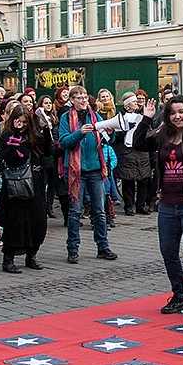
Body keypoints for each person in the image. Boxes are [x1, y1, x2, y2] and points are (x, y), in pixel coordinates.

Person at [133, 94, 183, 320]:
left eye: (181, 111)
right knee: (168, 252)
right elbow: (139, 143)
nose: (178, 116)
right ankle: (179, 296)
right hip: (169, 204)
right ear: (167, 116)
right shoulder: (162, 135)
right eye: (173, 112)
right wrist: (146, 118)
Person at [58, 86, 126, 263]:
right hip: (76, 171)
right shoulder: (66, 117)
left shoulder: (95, 116)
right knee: (75, 212)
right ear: (72, 100)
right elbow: (64, 142)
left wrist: (109, 134)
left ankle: (103, 247)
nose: (83, 100)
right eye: (79, 98)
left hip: (95, 169)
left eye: (84, 98)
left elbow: (107, 141)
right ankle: (73, 249)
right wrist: (79, 133)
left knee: (99, 211)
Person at [0, 104, 52, 273]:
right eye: (17, 121)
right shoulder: (7, 135)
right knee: (15, 223)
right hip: (15, 185)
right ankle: (8, 259)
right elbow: (10, 157)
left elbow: (48, 151)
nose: (20, 124)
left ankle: (32, 255)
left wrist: (46, 130)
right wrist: (16, 141)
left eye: (23, 122)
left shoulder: (34, 135)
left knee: (38, 221)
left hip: (35, 183)